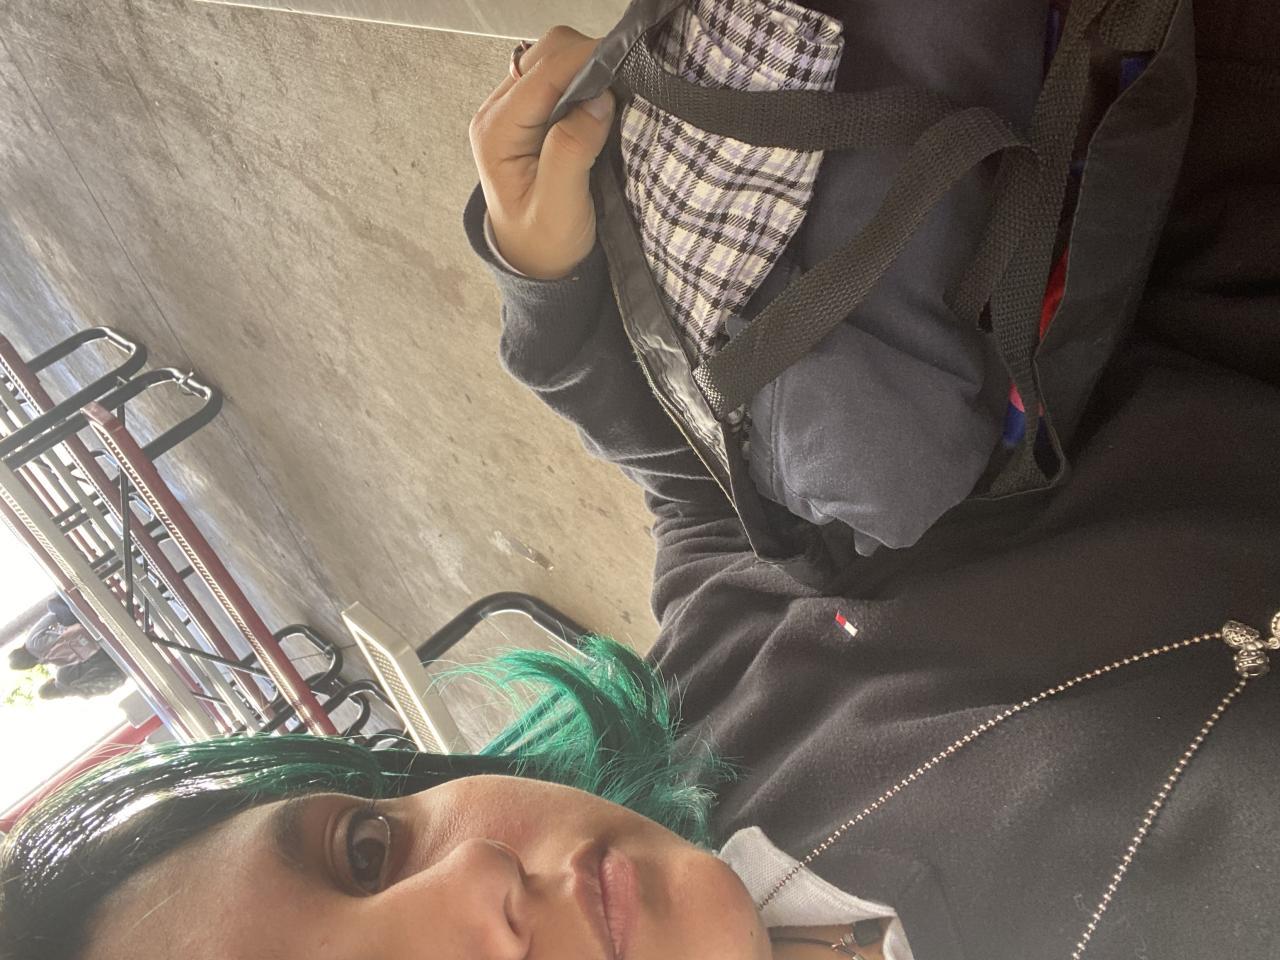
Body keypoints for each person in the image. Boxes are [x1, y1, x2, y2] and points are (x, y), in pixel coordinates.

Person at [2, 2, 1279, 958]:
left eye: (368, 847)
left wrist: (548, 286)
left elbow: (703, 511)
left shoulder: (719, 745)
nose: (475, 888)